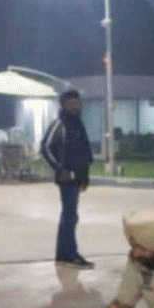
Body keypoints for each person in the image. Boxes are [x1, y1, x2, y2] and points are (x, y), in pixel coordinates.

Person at [40, 89, 94, 269]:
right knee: (70, 216)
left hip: (77, 177)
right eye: (71, 104)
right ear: (64, 105)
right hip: (66, 177)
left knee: (70, 216)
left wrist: (85, 176)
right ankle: (70, 254)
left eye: (77, 103)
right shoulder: (60, 124)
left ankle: (63, 253)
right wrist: (59, 168)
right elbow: (45, 147)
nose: (75, 107)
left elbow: (83, 151)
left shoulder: (78, 124)